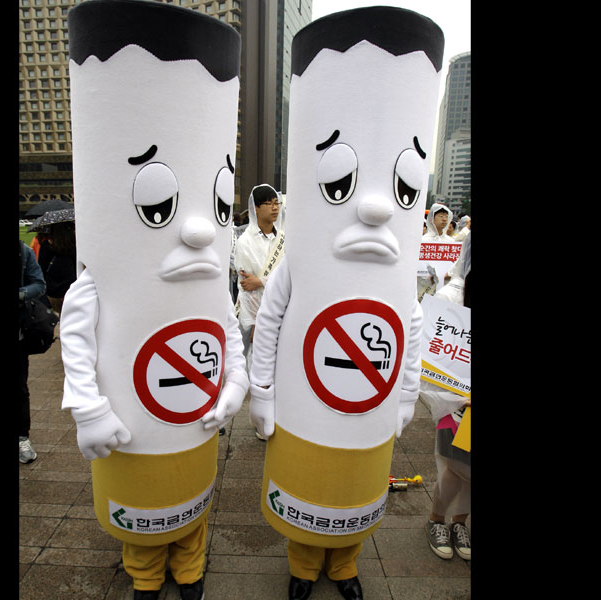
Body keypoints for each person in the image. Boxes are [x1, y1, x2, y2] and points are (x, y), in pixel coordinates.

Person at [248, 7, 444, 600]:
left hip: (371, 408)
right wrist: (262, 391)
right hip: (305, 405)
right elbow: (270, 322)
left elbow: (411, 327)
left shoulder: (401, 270)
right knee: (308, 486)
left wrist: (406, 393)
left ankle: (345, 565)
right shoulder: (300, 259)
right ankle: (303, 566)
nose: (379, 205)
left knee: (358, 488)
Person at [60, 4, 247, 600]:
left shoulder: (211, 280)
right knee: (141, 508)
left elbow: (228, 333)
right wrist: (89, 408)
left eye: (219, 205)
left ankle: (189, 569)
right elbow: (75, 339)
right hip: (131, 425)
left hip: (195, 421)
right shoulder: (99, 279)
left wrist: (234, 385)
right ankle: (144, 575)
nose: (200, 228)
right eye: (159, 202)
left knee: (192, 503)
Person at [419, 232, 471, 561]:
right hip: (457, 404)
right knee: (454, 466)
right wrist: (453, 399)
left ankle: (460, 522)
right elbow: (432, 357)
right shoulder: (451, 296)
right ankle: (437, 520)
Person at [233, 183, 284, 361]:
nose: (275, 208)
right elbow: (248, 288)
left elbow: (289, 277)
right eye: (269, 203)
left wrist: (261, 281)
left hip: (281, 312)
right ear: (256, 208)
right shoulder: (245, 242)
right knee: (253, 362)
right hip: (254, 316)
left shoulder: (284, 239)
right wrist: (257, 322)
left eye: (277, 203)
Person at [19, 240, 47, 464]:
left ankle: (22, 438)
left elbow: (39, 285)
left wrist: (20, 294)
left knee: (19, 389)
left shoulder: (23, 251)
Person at [37, 220, 77, 315]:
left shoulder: (46, 245)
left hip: (52, 291)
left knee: (58, 314)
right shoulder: (73, 246)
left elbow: (41, 268)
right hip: (72, 288)